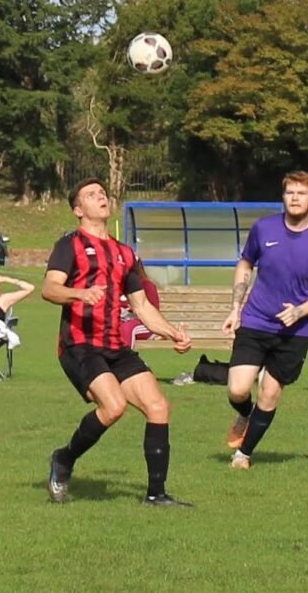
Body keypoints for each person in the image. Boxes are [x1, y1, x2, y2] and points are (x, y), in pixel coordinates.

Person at [42, 178, 194, 507]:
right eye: (91, 195)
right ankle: (63, 460)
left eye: (102, 193)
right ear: (78, 210)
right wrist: (79, 293)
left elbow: (141, 307)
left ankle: (156, 495)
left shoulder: (124, 253)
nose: (101, 197)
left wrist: (172, 334)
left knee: (159, 407)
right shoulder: (69, 245)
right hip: (79, 345)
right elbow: (50, 288)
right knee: (113, 408)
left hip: (115, 346)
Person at [221, 170, 308, 470]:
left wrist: (300, 310)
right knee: (238, 389)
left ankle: (243, 454)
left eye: (301, 193)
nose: (295, 198)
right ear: (283, 197)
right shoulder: (264, 228)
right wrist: (235, 308)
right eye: (290, 192)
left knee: (269, 393)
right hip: (256, 320)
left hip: (295, 331)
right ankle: (245, 414)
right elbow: (245, 264)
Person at [119, 259, 161, 348]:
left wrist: (133, 308)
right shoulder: (117, 285)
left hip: (145, 324)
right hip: (121, 320)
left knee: (128, 327)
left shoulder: (146, 285)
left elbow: (154, 311)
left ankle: (126, 359)